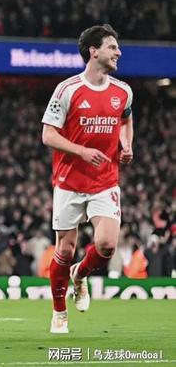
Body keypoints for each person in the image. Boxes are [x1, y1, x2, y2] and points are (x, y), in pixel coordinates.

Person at [41, 24, 133, 334]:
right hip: (69, 182)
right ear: (94, 51)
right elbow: (48, 135)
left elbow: (126, 118)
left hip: (105, 181)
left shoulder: (123, 91)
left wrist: (127, 144)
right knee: (65, 250)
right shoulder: (67, 90)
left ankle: (79, 275)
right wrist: (81, 151)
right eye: (112, 47)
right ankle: (59, 312)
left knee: (107, 245)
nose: (118, 52)